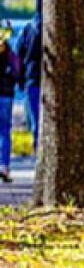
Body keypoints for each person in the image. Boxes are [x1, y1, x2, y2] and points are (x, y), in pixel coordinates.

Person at [15, 16, 40, 153]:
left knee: (36, 122)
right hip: (46, 80)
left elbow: (17, 56)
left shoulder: (28, 28)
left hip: (31, 81)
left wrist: (20, 82)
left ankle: (39, 153)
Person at [0, 36, 21, 182]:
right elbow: (17, 71)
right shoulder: (10, 54)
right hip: (6, 95)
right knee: (5, 131)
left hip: (5, 95)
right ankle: (4, 166)